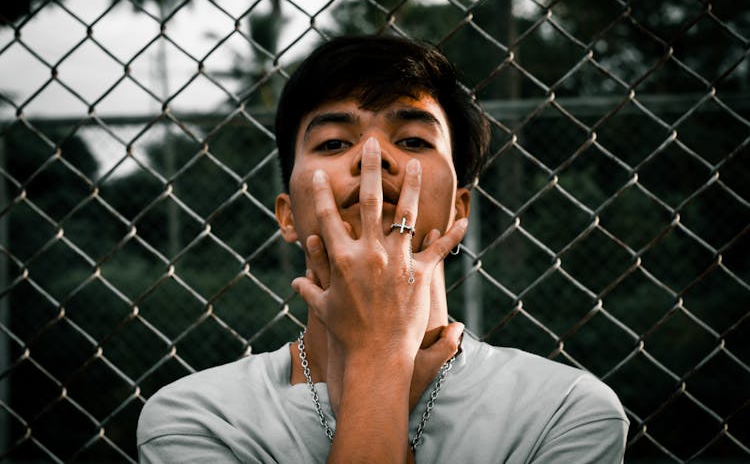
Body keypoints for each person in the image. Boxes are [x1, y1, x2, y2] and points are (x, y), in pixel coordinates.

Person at [137, 35, 629, 463]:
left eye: (413, 140)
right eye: (332, 143)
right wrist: (383, 360)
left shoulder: (563, 410)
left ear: (461, 210)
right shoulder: (199, 417)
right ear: (287, 215)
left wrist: (377, 360)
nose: (373, 159)